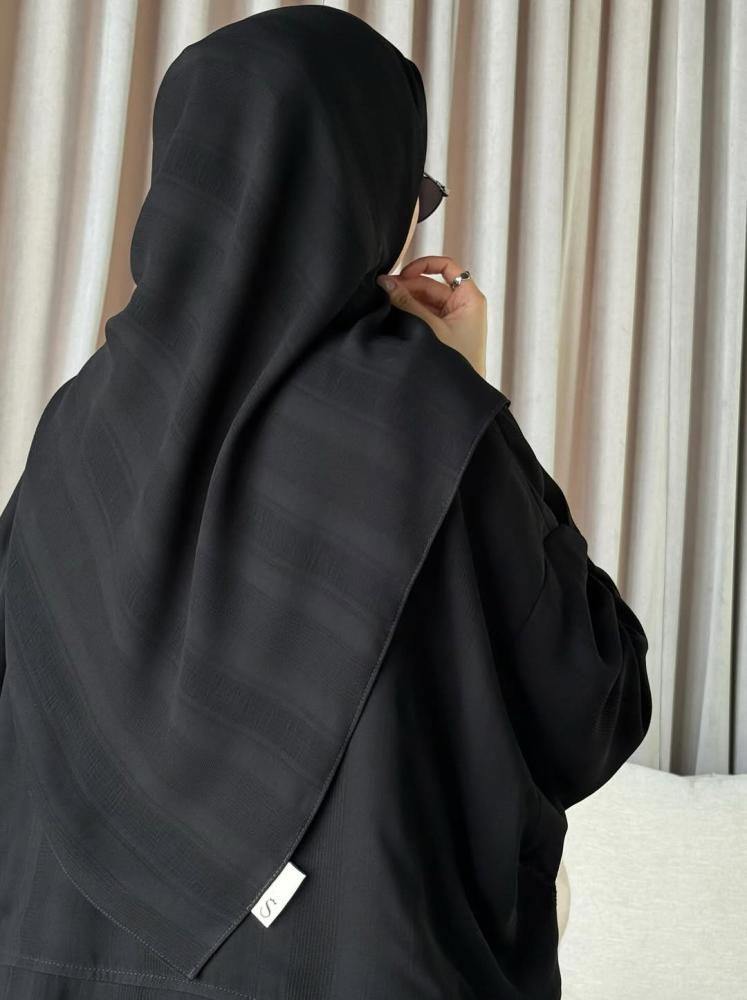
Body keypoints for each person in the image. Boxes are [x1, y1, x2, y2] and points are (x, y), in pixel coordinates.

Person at [0, 6, 651, 999]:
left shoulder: (74, 429)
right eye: (411, 194)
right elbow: (593, 704)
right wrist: (464, 387)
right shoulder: (423, 418)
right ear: (357, 193)